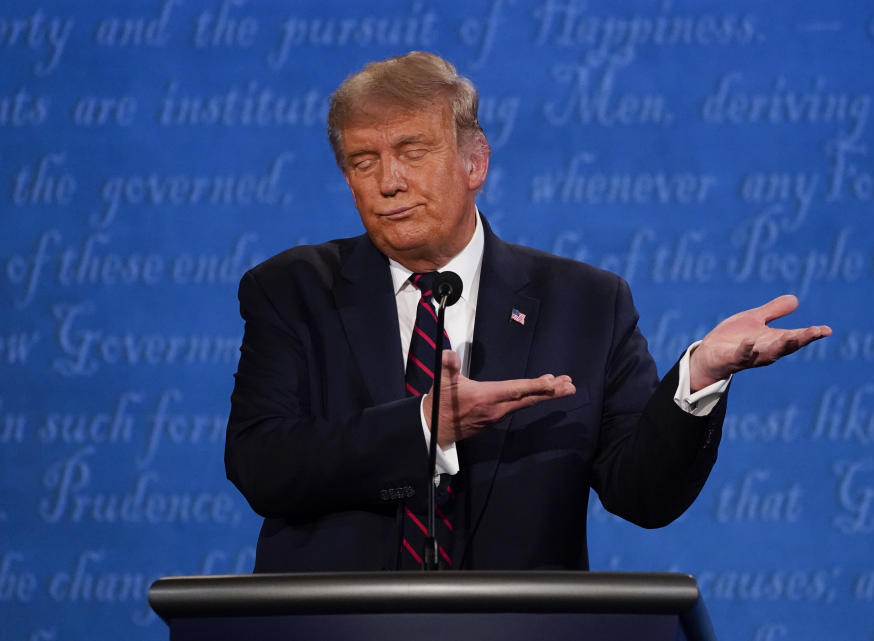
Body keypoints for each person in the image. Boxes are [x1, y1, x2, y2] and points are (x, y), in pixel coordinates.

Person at [225, 52, 830, 572]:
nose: (388, 181)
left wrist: (698, 377)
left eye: (412, 152)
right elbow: (262, 464)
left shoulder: (587, 303)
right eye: (363, 161)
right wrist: (422, 427)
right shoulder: (293, 290)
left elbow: (642, 495)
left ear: (474, 163)